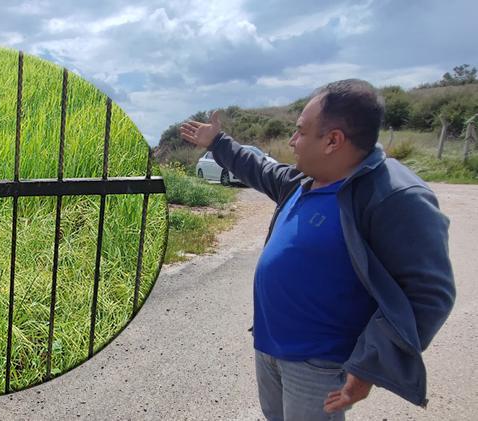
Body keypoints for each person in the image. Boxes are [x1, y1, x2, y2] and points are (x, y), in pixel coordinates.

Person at [180, 79, 455, 420]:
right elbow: (260, 169)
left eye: (300, 131)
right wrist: (218, 142)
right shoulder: (305, 179)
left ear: (333, 140)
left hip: (321, 365)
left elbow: (429, 294)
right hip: (270, 346)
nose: (292, 141)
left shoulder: (394, 196)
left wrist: (370, 366)